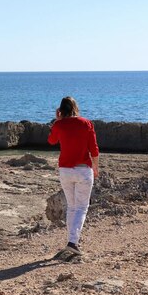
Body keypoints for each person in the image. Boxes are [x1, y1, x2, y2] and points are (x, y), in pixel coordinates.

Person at [47, 96, 99, 255]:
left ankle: (71, 241)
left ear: (61, 110)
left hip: (65, 171)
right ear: (75, 107)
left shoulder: (59, 125)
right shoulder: (86, 123)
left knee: (72, 207)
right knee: (81, 208)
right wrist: (96, 168)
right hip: (83, 170)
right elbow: (94, 149)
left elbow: (51, 141)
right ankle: (73, 242)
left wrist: (57, 121)